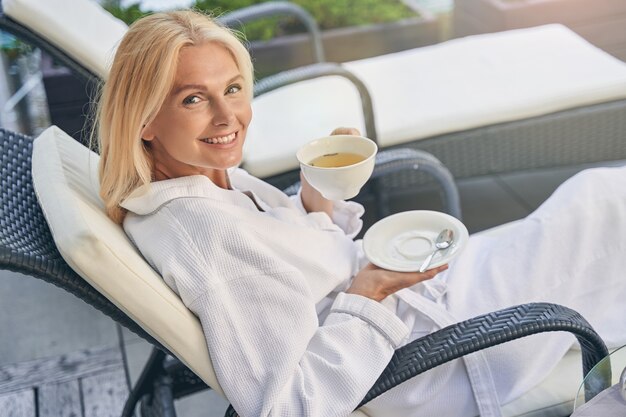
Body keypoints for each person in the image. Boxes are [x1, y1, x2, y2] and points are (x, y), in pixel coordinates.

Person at [96, 10, 626, 417]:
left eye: (233, 88)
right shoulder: (200, 234)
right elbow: (289, 404)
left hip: (422, 306)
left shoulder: (202, 179)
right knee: (606, 208)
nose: (227, 116)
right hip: (428, 356)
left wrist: (315, 194)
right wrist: (369, 291)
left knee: (597, 199)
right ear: (144, 120)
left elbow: (292, 269)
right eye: (194, 99)